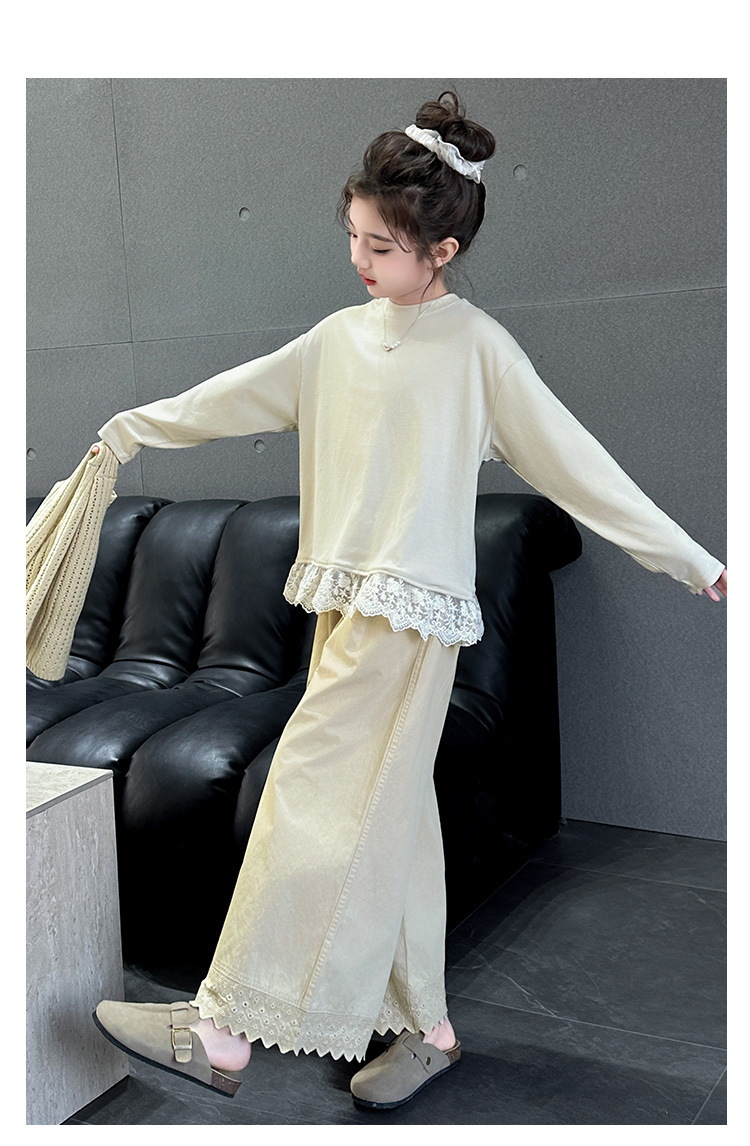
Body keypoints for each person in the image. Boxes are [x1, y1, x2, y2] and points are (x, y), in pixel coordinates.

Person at [90, 91, 727, 1111]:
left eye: (381, 246)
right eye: (353, 235)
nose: (359, 259)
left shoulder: (479, 351)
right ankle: (426, 1027)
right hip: (344, 610)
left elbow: (575, 463)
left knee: (306, 791)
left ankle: (222, 1026)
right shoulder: (336, 341)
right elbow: (232, 396)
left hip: (412, 620)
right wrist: (134, 427)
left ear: (442, 250)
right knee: (394, 818)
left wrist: (690, 558)